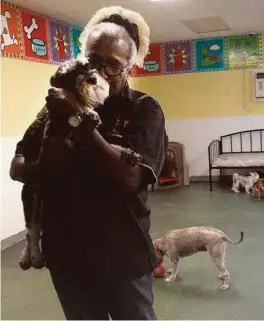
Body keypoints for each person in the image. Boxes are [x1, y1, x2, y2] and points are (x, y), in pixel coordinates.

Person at [9, 6, 168, 320]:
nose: (103, 72)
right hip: (67, 254)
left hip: (122, 254)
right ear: (82, 60)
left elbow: (128, 179)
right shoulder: (59, 102)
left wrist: (79, 120)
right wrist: (43, 166)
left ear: (131, 65)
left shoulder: (144, 110)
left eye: (114, 64)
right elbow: (18, 166)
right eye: (94, 61)